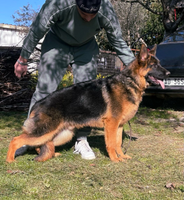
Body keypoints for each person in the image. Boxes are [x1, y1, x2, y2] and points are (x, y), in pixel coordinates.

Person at [14, 0, 135, 160]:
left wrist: (135, 67)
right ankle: (30, 136)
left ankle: (81, 139)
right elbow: (36, 31)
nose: (88, 20)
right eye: (84, 15)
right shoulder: (58, 4)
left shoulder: (106, 9)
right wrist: (23, 59)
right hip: (57, 43)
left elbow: (117, 40)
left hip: (86, 46)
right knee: (44, 90)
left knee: (89, 96)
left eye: (93, 16)